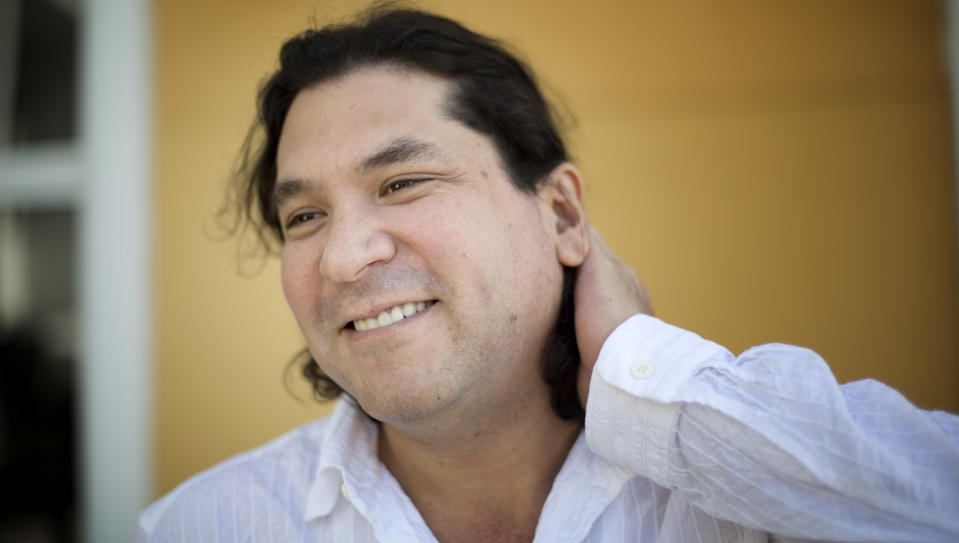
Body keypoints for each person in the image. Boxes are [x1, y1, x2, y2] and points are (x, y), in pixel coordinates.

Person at [134, 6, 959, 542]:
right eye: (304, 216)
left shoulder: (740, 504)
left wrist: (655, 376)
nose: (343, 257)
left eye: (402, 183)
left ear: (561, 214)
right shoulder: (202, 526)